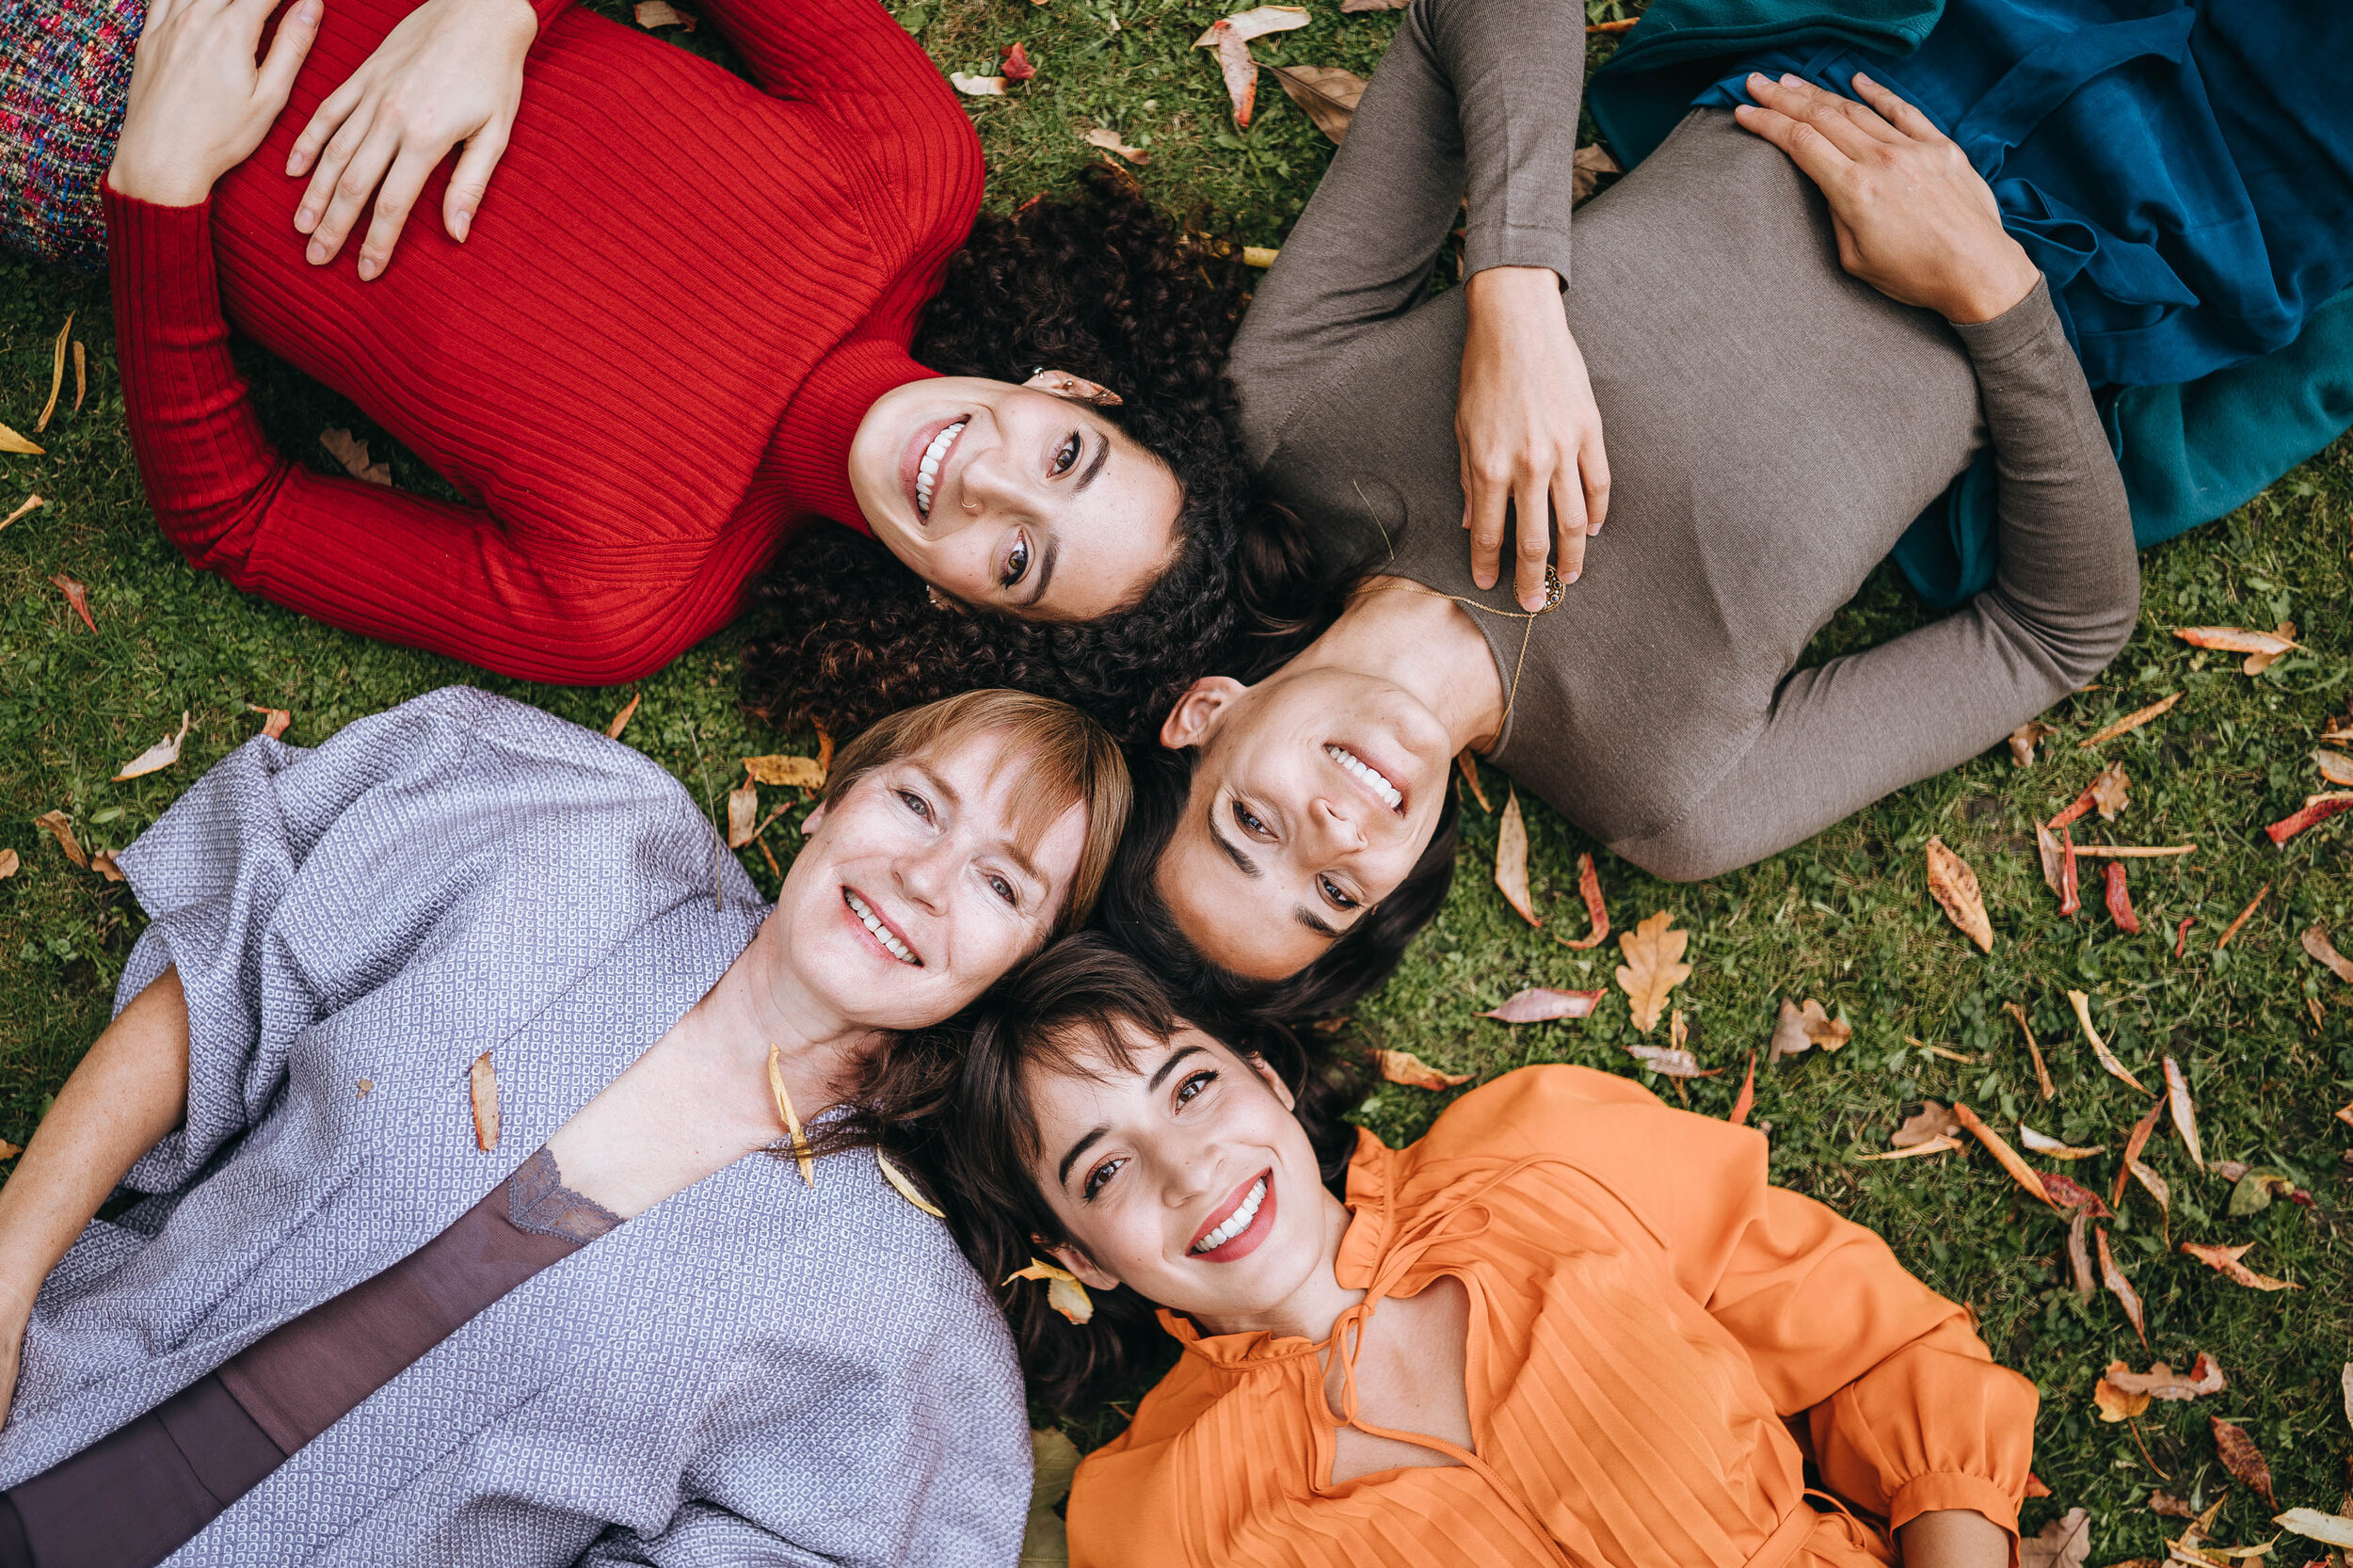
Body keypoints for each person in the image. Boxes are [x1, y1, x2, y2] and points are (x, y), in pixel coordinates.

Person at [1111, 0, 2142, 1009]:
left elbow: (1469, 17)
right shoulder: (1673, 798)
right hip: (2136, 204)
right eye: (1335, 895)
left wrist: (1512, 299)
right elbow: (2056, 633)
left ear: (1208, 712)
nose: (1333, 833)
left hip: (1889, 38)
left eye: (1249, 825)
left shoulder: (1297, 427)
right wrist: (1997, 293)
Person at [0, 683, 1128, 1564]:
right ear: (830, 801)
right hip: (53, 1389)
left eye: (1001, 884)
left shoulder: (894, 1311)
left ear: (1014, 972)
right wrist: (7, 1271)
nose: (924, 875)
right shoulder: (576, 839)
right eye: (916, 802)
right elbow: (225, 988)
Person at [6, 0, 1294, 737]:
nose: (991, 487)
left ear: (958, 611)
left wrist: (158, 187)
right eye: (1067, 458)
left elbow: (240, 520)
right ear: (1067, 391)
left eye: (1018, 561)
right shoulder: (912, 171)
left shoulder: (623, 597)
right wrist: (488, 18)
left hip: (79, 101)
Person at [882, 937, 2040, 1568]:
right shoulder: (1154, 1525)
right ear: (1076, 1258)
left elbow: (1882, 1351)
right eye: (1105, 1169)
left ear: (1267, 1078)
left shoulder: (1539, 1153)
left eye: (1189, 1086)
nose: (1189, 1168)